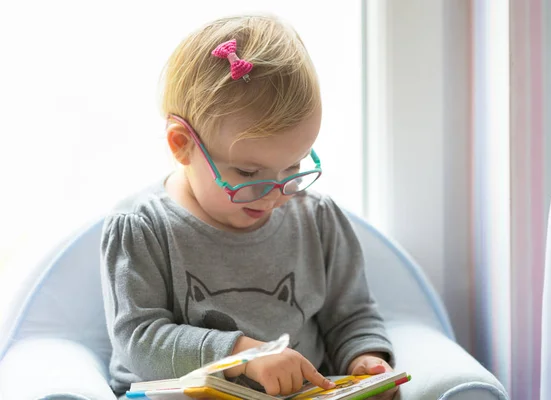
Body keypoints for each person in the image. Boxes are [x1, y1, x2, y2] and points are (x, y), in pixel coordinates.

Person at [100, 14, 397, 399]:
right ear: (181, 144)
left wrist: (365, 360)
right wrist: (244, 355)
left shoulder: (316, 219)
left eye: (293, 165)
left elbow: (351, 316)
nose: (275, 194)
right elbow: (140, 341)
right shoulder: (142, 228)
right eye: (248, 172)